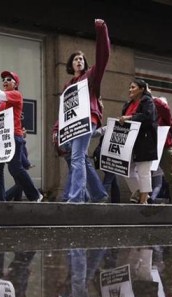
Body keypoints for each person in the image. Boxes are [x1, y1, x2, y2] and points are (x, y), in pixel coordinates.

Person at [53, 19, 110, 203]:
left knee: (77, 157)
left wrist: (101, 31)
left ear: (85, 64)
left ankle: (76, 198)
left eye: (81, 59)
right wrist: (56, 130)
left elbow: (103, 56)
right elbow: (64, 111)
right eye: (75, 59)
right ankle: (99, 194)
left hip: (86, 121)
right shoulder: (68, 86)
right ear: (71, 64)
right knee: (81, 158)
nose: (79, 61)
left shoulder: (91, 77)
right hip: (72, 125)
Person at [0, 65, 42, 202]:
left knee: (15, 168)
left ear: (15, 84)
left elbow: (0, 94)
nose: (5, 81)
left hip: (13, 136)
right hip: (0, 138)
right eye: (4, 79)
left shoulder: (16, 95)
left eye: (9, 79)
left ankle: (35, 195)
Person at [118, 77, 158, 205]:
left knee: (143, 172)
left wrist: (129, 117)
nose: (130, 90)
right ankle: (140, 192)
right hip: (130, 142)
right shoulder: (128, 104)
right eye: (129, 87)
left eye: (133, 87)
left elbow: (148, 117)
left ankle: (143, 200)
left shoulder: (148, 101)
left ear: (142, 89)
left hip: (145, 141)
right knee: (125, 168)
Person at [153, 97, 172, 204]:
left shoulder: (164, 118)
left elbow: (164, 108)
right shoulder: (153, 118)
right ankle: (139, 197)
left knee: (170, 177)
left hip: (165, 149)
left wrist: (153, 98)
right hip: (155, 149)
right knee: (144, 173)